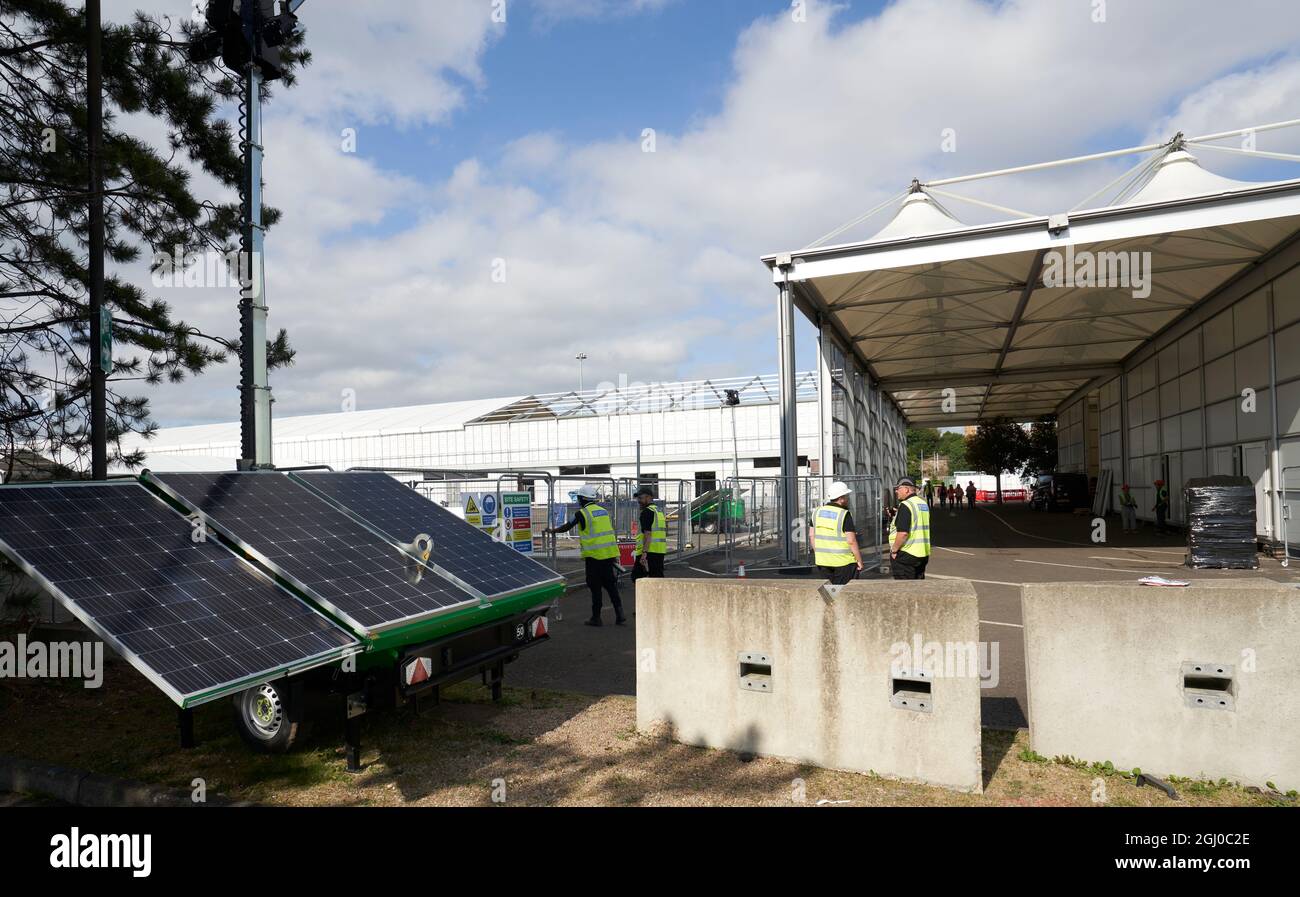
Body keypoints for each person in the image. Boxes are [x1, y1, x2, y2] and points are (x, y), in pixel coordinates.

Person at [543, 484, 626, 626]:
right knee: (611, 586)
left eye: (578, 498)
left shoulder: (581, 513)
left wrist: (552, 531)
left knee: (595, 587)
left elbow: (567, 526)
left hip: (594, 557)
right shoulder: (603, 511)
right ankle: (620, 614)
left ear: (582, 498)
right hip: (609, 554)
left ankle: (596, 618)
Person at [811, 481, 865, 584]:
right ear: (841, 498)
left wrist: (819, 553)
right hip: (843, 562)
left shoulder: (816, 512)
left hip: (823, 561)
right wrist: (859, 561)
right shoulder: (844, 514)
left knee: (828, 593)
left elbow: (811, 535)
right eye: (846, 496)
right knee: (844, 593)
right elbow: (851, 541)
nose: (847, 498)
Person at [889, 476, 931, 579]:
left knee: (904, 590)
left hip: (906, 554)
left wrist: (894, 550)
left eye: (898, 488)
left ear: (906, 489)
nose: (896, 491)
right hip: (922, 553)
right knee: (917, 588)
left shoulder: (906, 505)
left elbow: (903, 533)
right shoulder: (923, 503)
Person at [632, 485, 667, 579]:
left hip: (648, 552)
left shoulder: (647, 512)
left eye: (640, 498)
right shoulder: (658, 511)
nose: (638, 501)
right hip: (659, 551)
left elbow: (648, 534)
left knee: (636, 577)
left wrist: (644, 553)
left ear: (649, 497)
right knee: (657, 578)